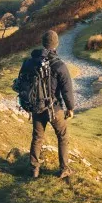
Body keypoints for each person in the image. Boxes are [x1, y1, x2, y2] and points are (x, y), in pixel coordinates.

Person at [23, 30, 75, 178]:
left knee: (37, 137)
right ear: (56, 44)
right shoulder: (60, 65)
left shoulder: (31, 62)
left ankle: (34, 169)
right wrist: (70, 108)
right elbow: (67, 90)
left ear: (43, 43)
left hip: (36, 107)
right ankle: (64, 169)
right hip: (54, 108)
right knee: (63, 135)